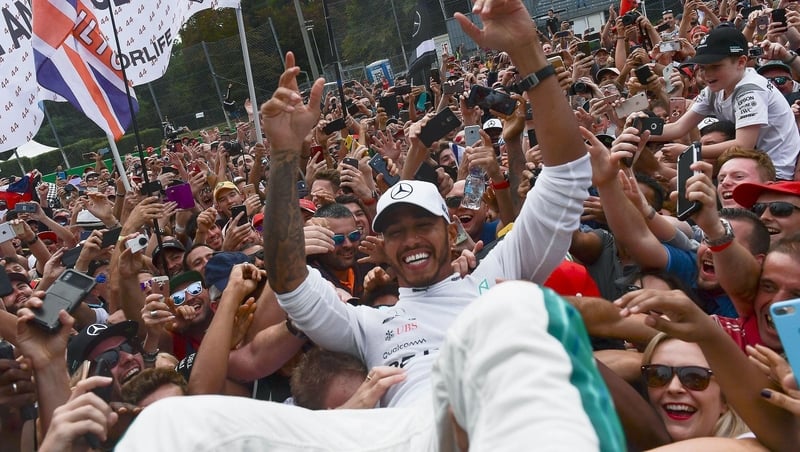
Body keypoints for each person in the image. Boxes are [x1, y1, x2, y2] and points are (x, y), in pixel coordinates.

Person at [116, 1, 624, 450]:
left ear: (450, 231)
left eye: (421, 225)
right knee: (167, 425)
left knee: (514, 304)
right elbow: (289, 280)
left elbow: (564, 178)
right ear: (381, 243)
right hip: (398, 434)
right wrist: (285, 154)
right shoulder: (366, 325)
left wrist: (529, 51)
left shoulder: (496, 275)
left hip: (498, 413)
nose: (409, 240)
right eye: (396, 231)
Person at [655, 27, 800, 180]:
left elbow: (743, 145)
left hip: (777, 174)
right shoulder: (715, 88)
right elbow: (678, 127)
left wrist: (690, 151)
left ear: (741, 62)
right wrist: (638, 130)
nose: (707, 74)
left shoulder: (751, 89)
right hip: (750, 166)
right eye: (703, 68)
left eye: (715, 66)